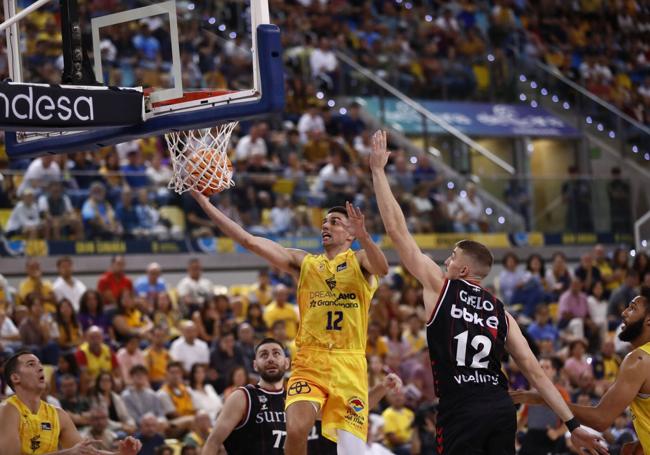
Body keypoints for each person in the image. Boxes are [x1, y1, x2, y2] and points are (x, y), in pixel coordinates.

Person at [369, 130, 605, 455]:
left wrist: (378, 172)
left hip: (461, 410)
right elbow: (535, 372)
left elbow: (397, 230)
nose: (446, 261)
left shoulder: (441, 287)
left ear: (464, 270)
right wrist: (573, 426)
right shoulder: (501, 312)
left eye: (452, 257)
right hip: (499, 408)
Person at [192, 188, 389, 455]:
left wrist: (365, 235)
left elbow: (383, 268)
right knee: (296, 428)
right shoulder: (305, 263)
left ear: (350, 233)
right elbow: (250, 241)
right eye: (324, 223)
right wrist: (205, 203)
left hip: (349, 363)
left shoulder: (360, 260)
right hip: (310, 361)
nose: (326, 226)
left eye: (334, 222)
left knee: (351, 451)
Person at [200, 338, 401, 455]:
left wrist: (382, 387)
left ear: (287, 363)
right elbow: (213, 442)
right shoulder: (243, 397)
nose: (270, 358)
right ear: (255, 365)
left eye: (276, 354)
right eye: (264, 355)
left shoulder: (300, 399)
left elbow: (349, 413)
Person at [512, 287, 650, 455]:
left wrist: (543, 399)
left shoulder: (639, 360)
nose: (624, 312)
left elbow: (600, 419)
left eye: (633, 308)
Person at [0, 351, 141, 455]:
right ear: (15, 378)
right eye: (31, 364)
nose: (40, 368)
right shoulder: (8, 410)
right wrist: (67, 453)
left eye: (40, 364)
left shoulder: (58, 414)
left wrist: (120, 454)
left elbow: (84, 452)